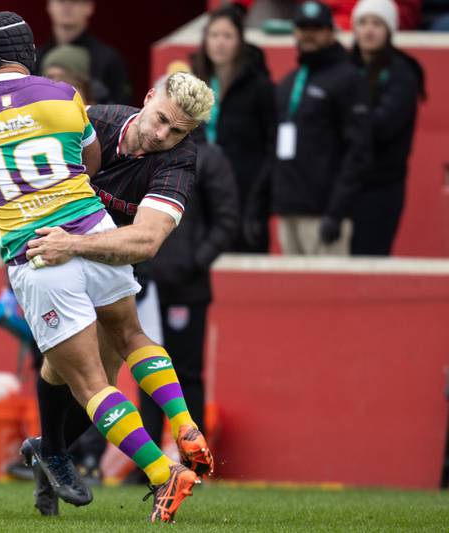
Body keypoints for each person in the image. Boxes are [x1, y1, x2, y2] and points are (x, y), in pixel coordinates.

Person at [0, 11, 212, 523]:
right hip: (89, 226)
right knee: (119, 343)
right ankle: (71, 450)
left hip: (40, 248)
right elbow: (90, 159)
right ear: (29, 53)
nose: (165, 134)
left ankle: (160, 471)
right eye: (163, 120)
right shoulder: (65, 100)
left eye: (177, 130)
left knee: (89, 383)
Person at [126, 128, 239, 483]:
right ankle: (148, 465)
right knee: (147, 375)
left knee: (186, 375)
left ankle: (195, 463)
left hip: (186, 288)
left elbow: (227, 218)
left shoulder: (210, 157)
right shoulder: (146, 154)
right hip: (146, 283)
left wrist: (194, 262)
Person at [266, 0, 372, 256]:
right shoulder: (290, 81)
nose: (309, 34)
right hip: (288, 210)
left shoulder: (348, 78)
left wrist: (337, 212)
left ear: (330, 32)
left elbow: (358, 152)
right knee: (293, 295)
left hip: (324, 213)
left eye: (317, 28)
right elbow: (272, 149)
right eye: (303, 28)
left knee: (331, 294)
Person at [191, 6, 276, 253]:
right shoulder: (195, 84)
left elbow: (271, 145)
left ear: (240, 42)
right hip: (203, 189)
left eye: (227, 36)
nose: (220, 43)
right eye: (214, 35)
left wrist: (260, 199)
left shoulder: (259, 86)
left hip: (245, 191)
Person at [349, 0, 424, 255]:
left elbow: (381, 127)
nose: (369, 30)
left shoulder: (402, 74)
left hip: (380, 186)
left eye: (377, 24)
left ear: (390, 30)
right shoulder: (344, 68)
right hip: (343, 185)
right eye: (363, 23)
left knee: (368, 256)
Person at [38, 0, 131, 104]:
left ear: (89, 7)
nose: (67, 7)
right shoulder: (36, 57)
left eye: (75, 1)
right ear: (49, 5)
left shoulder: (108, 60)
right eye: (61, 1)